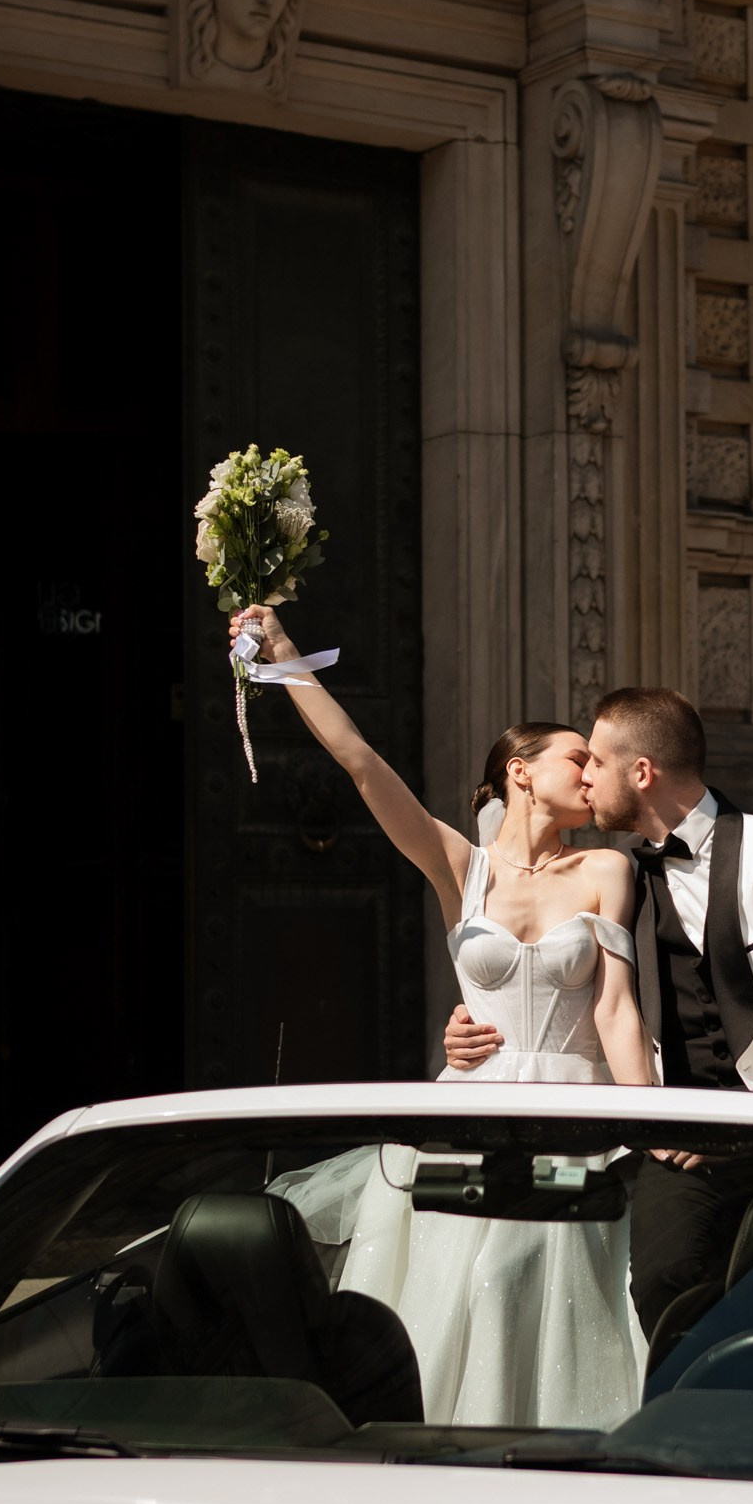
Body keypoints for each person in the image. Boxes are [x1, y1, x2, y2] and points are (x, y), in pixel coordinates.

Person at [226, 604, 653, 1429]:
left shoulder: (607, 867)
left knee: (525, 1276)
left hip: (575, 1112)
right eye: (578, 758)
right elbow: (360, 764)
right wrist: (282, 656)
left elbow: (616, 1008)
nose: (594, 773)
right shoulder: (462, 866)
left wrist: (652, 1118)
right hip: (473, 1109)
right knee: (471, 1288)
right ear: (521, 771)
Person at [445, 685, 753, 1360]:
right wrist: (470, 1027)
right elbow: (573, 990)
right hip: (682, 1133)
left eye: (593, 762)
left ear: (642, 772)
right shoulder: (612, 873)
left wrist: (744, 1118)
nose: (583, 778)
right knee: (664, 1275)